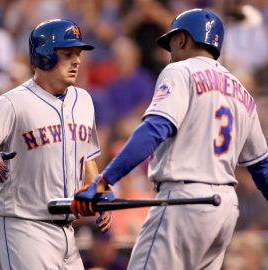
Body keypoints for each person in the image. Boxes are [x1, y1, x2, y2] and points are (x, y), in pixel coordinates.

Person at [71, 8, 268, 270]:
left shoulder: (181, 71)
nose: (169, 51)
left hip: (183, 201)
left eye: (172, 42)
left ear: (183, 39)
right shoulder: (242, 92)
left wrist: (104, 180)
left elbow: (155, 129)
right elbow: (261, 167)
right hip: (224, 210)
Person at [0, 19, 111, 270]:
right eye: (67, 53)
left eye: (78, 54)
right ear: (45, 56)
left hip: (69, 231)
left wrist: (99, 189)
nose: (77, 60)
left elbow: (87, 156)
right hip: (24, 227)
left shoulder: (84, 100)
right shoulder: (14, 103)